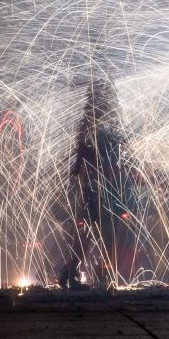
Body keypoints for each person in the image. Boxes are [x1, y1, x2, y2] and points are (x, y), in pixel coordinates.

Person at [66, 78, 139, 286]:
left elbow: (81, 156)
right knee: (106, 233)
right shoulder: (109, 122)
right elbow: (122, 153)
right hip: (106, 188)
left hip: (94, 186)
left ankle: (73, 272)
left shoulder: (89, 121)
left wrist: (79, 172)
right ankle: (102, 274)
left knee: (87, 232)